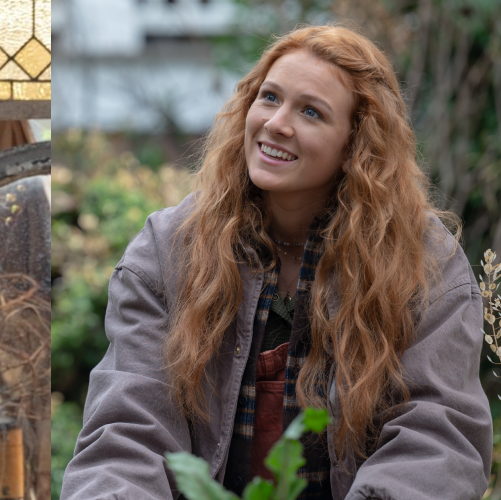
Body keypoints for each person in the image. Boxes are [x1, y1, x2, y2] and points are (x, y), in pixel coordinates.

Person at [60, 25, 491, 500]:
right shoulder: (168, 250)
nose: (276, 123)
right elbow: (127, 433)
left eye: (310, 111)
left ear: (354, 147)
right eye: (269, 98)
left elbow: (436, 442)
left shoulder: (424, 265)